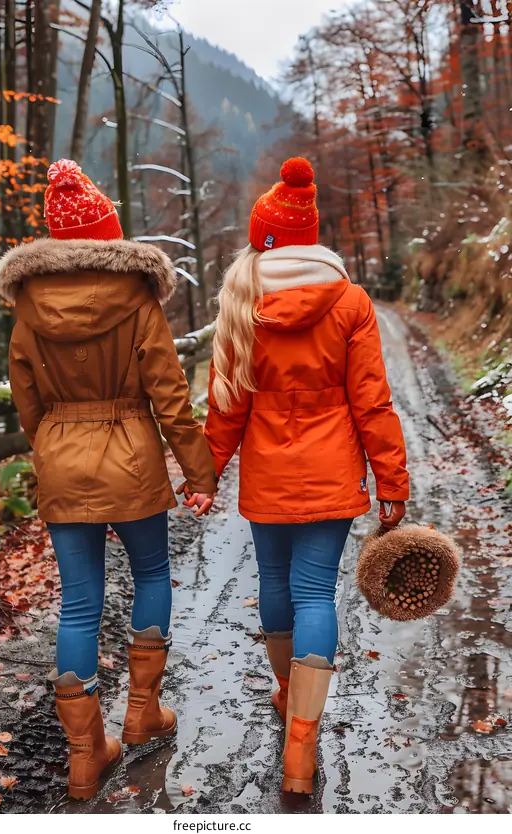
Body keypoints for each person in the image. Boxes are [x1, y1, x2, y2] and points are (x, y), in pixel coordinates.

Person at [0, 159, 217, 800]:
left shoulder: (27, 308)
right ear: (109, 238)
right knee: (149, 575)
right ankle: (142, 713)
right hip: (134, 456)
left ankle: (85, 759)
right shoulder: (139, 300)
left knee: (79, 605)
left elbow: (26, 400)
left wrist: (56, 450)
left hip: (62, 455)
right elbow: (169, 396)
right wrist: (199, 472)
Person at [200, 158, 409, 795]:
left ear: (262, 239)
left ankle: (287, 690)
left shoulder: (241, 303)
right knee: (316, 592)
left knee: (274, 583)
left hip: (268, 474)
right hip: (331, 473)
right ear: (312, 238)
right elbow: (372, 400)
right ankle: (302, 743)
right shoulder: (349, 302)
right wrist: (392, 481)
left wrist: (205, 475)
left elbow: (226, 402)